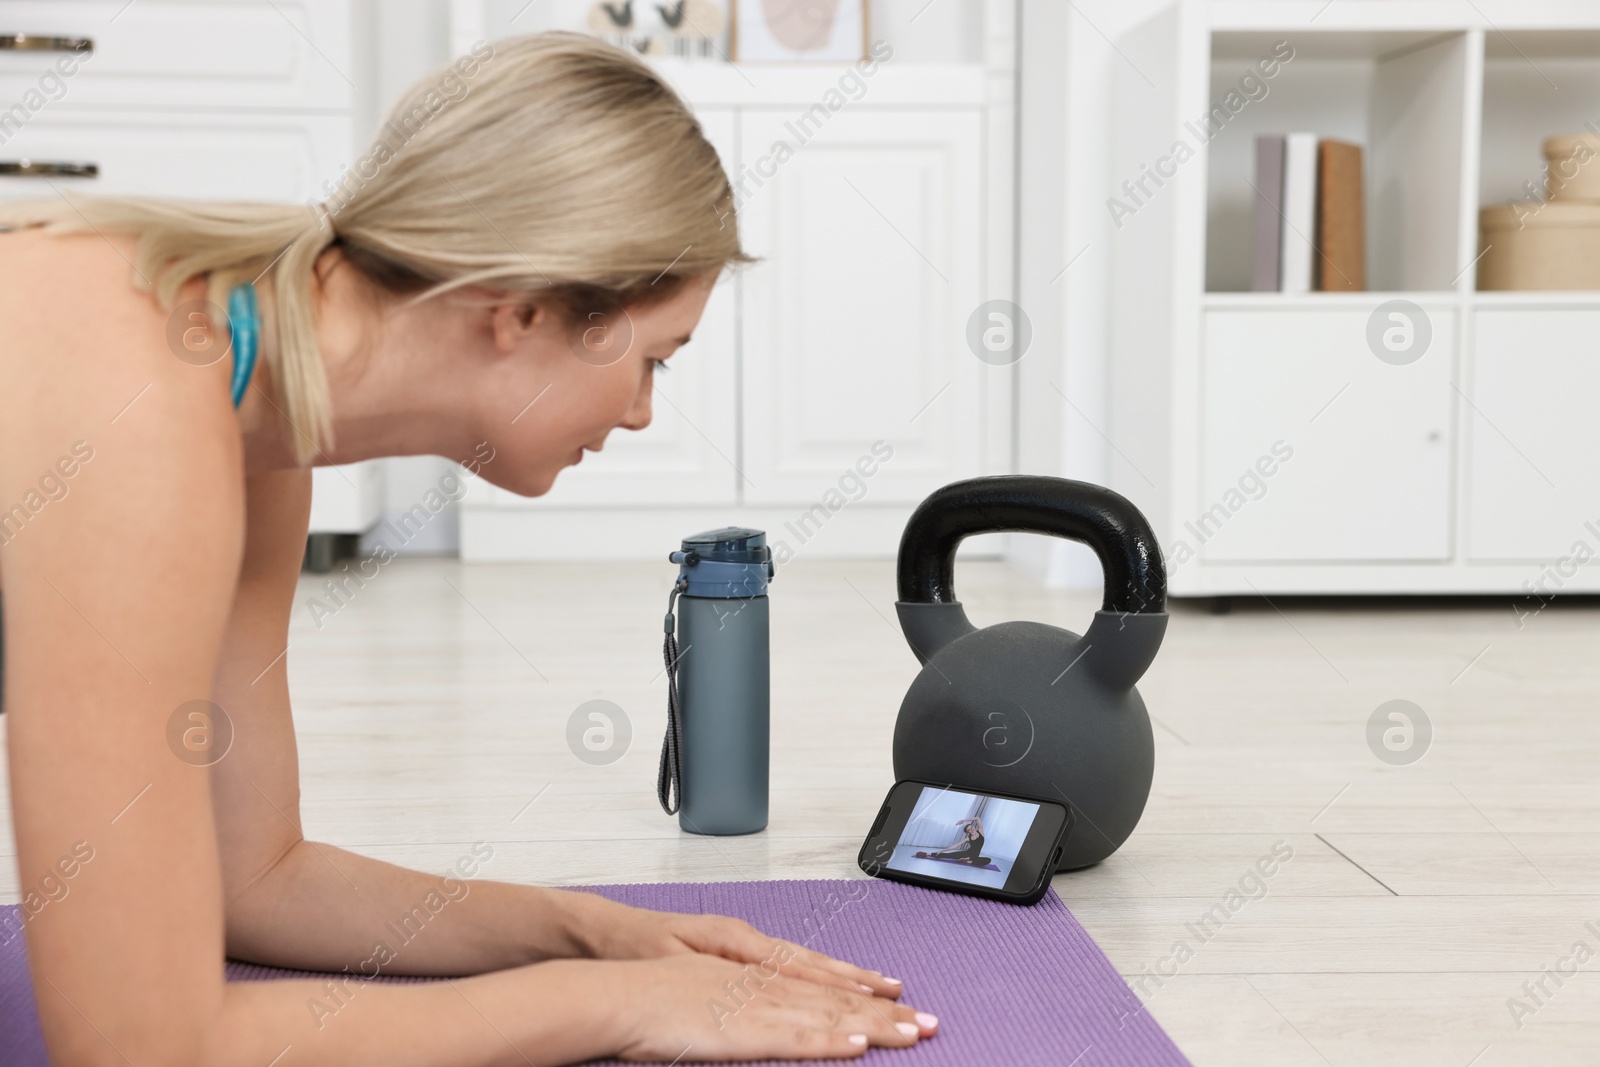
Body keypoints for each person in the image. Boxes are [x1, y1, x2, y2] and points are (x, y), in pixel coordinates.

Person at [0, 32, 936, 1065]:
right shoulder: (140, 410)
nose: (639, 413)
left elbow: (252, 877)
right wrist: (617, 1006)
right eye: (653, 359)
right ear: (525, 309)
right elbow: (141, 1047)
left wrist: (598, 933)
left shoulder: (253, 418)